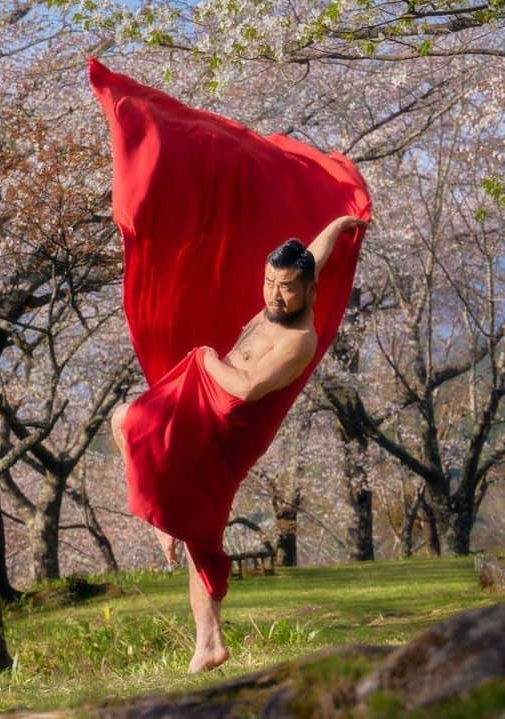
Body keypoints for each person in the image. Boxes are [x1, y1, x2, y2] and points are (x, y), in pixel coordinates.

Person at [110, 215, 368, 673]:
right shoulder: (281, 300)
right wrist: (341, 224)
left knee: (131, 423)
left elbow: (247, 387)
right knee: (131, 428)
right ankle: (208, 641)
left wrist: (207, 359)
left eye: (286, 287)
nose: (274, 293)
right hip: (202, 412)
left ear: (309, 292)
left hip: (222, 434)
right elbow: (315, 255)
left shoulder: (297, 339)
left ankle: (163, 521)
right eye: (269, 282)